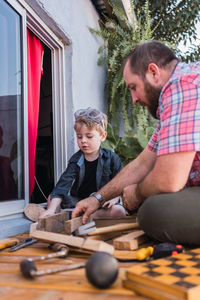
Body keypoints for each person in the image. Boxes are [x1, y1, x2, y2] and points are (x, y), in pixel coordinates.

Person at [72, 40, 200, 245]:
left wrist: (137, 193)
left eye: (134, 87)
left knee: (153, 211)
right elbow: (143, 163)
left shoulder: (182, 86)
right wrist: (96, 198)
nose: (133, 99)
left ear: (153, 72)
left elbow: (169, 179)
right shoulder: (176, 96)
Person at [39, 107, 126, 219]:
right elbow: (62, 185)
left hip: (101, 202)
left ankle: (82, 216)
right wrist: (51, 209)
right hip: (79, 202)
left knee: (119, 211)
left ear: (102, 136)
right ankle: (55, 214)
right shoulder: (76, 160)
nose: (83, 140)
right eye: (79, 137)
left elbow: (121, 182)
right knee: (52, 198)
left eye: (89, 136)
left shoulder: (112, 158)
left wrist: (114, 197)